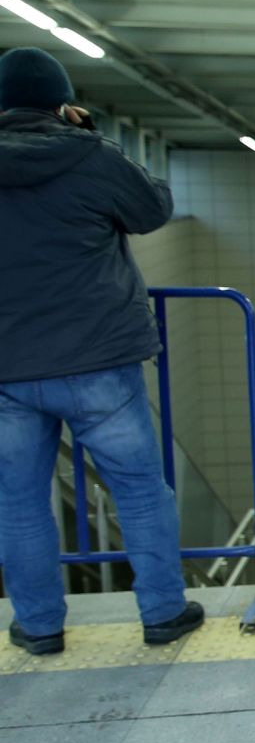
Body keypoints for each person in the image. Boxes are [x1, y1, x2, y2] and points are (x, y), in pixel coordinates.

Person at [0, 46, 205, 654]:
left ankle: (38, 625)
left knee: (20, 501)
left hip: (8, 367)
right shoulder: (88, 154)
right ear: (63, 104)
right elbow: (152, 208)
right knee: (140, 489)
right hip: (99, 362)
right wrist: (93, 137)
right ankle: (163, 612)